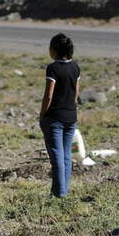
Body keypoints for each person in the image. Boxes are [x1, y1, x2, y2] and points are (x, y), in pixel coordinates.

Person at [39, 33, 80, 198]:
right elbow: (76, 92)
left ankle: (59, 194)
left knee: (56, 156)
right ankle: (64, 191)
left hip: (55, 117)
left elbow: (48, 95)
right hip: (71, 116)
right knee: (66, 156)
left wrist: (42, 115)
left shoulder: (53, 68)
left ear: (54, 50)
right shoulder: (75, 67)